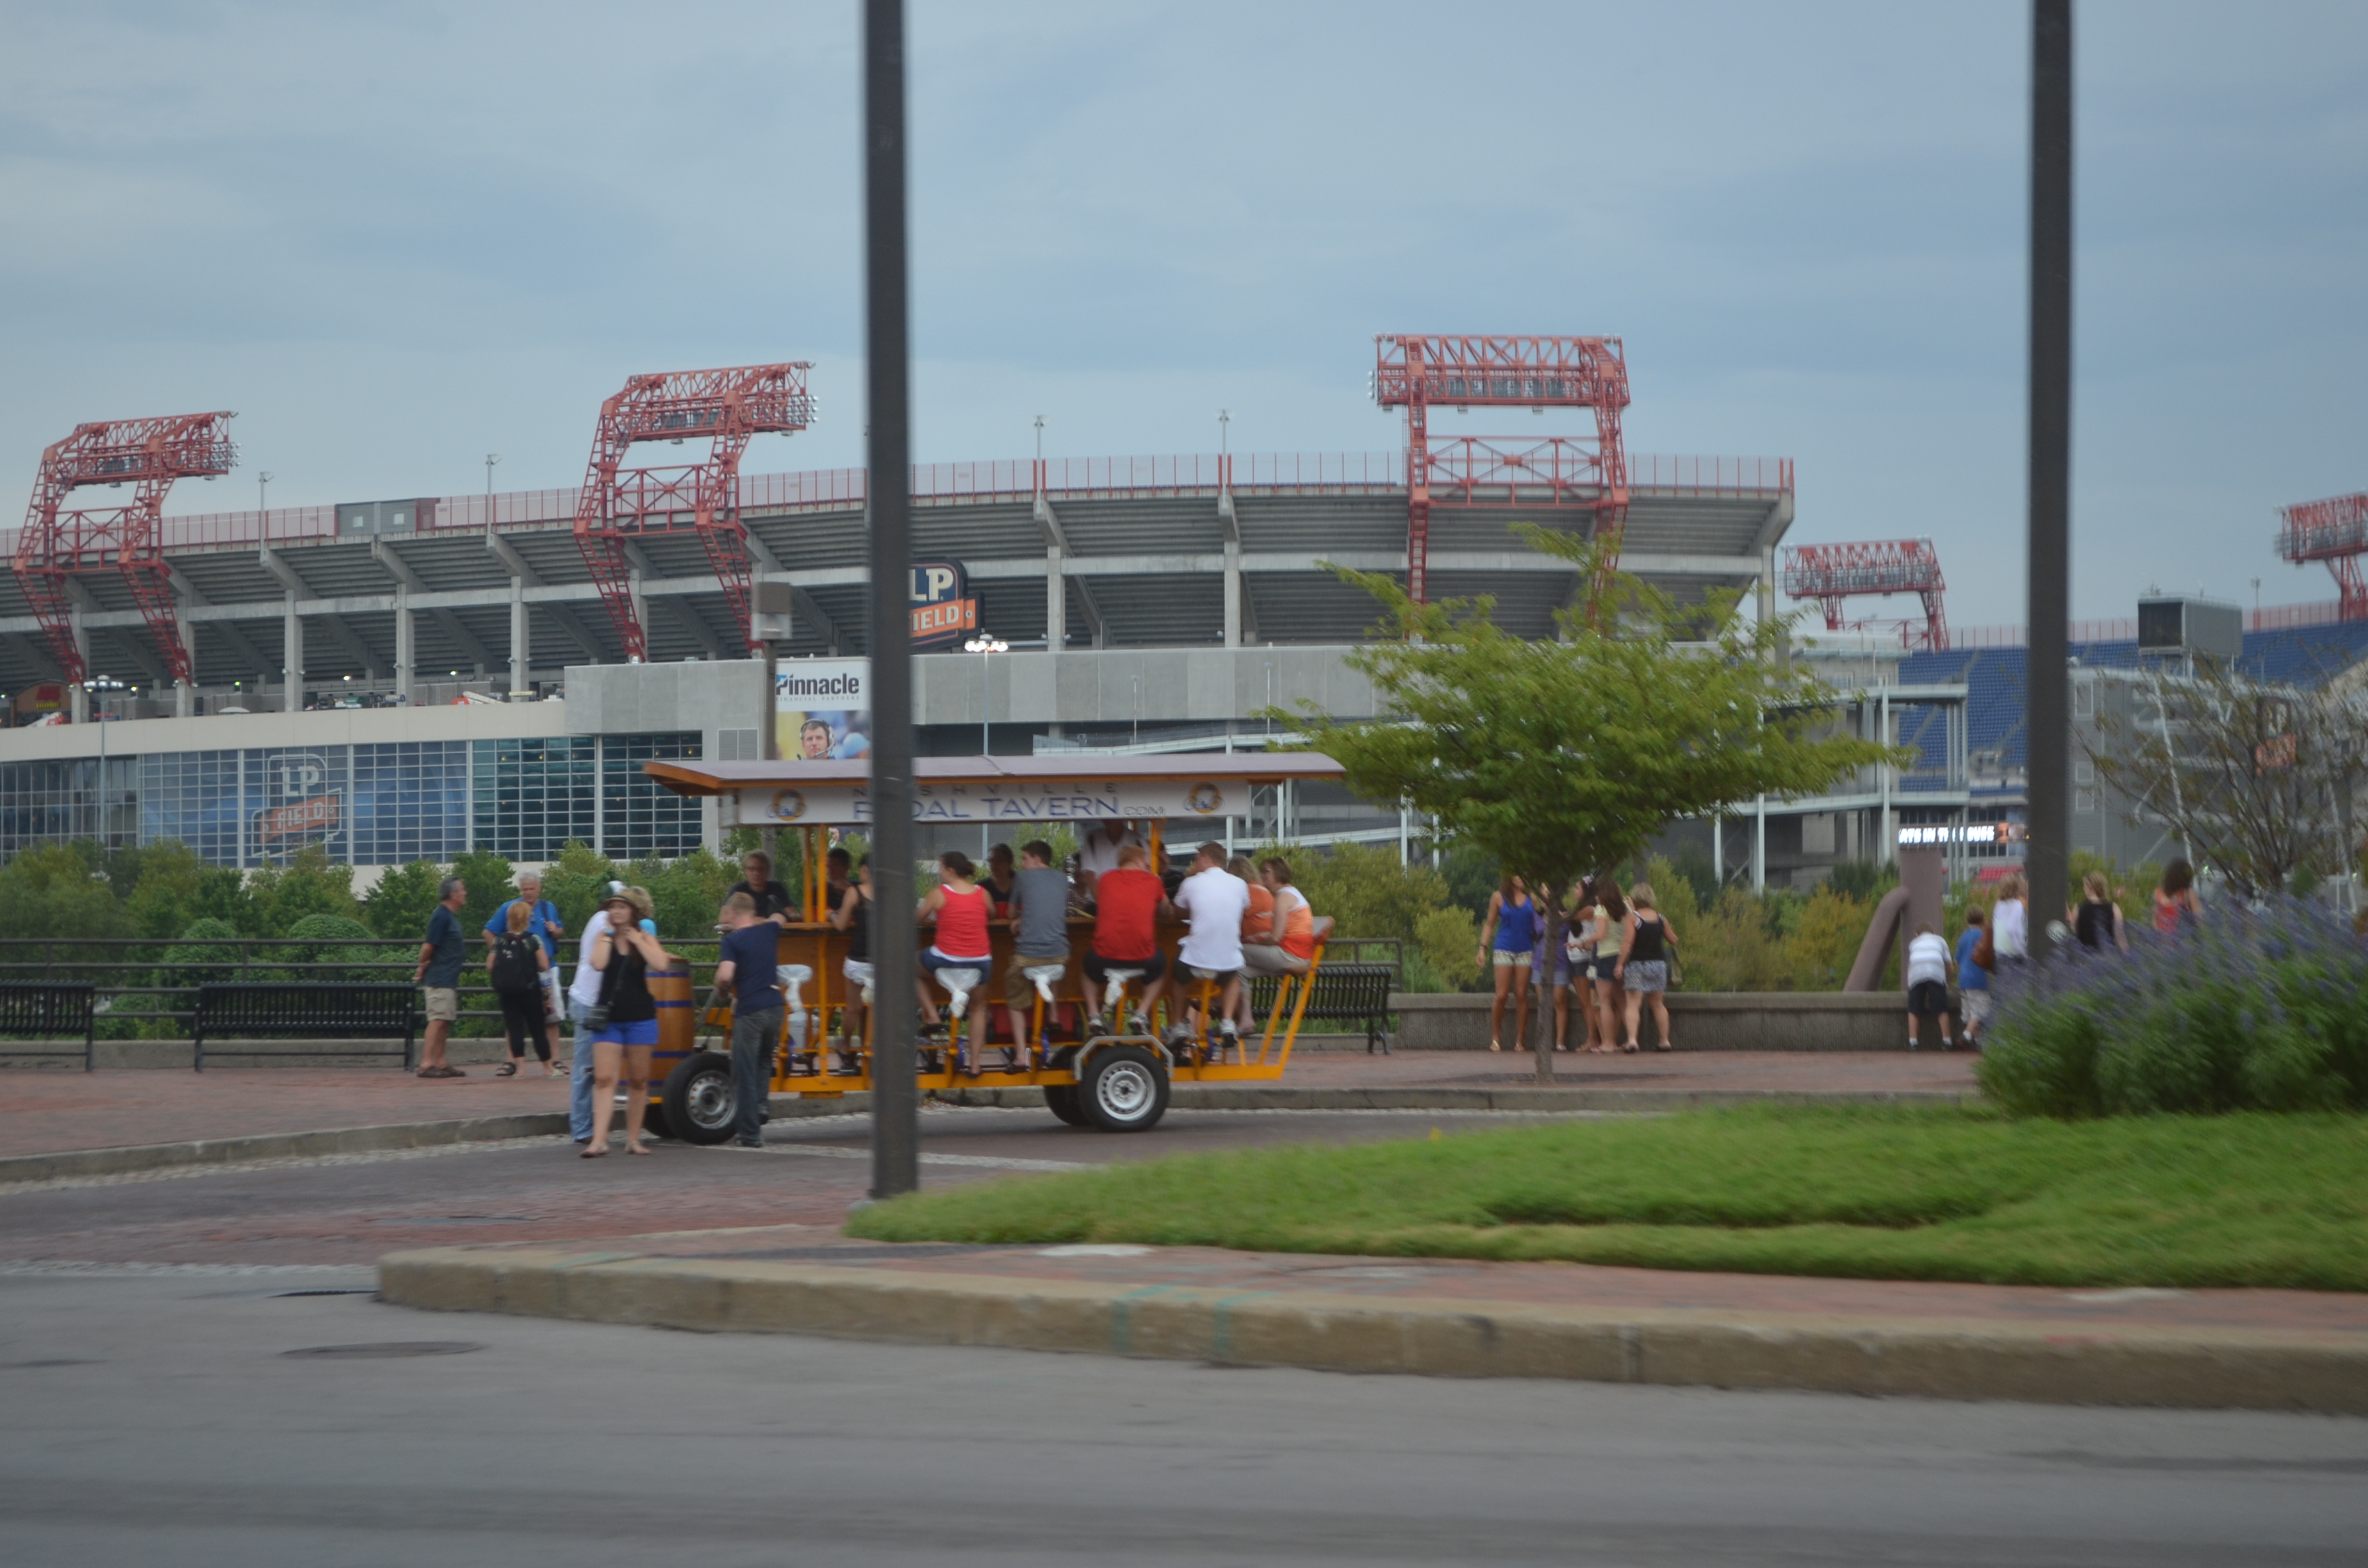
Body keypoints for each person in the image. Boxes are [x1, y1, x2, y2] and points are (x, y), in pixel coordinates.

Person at [583, 886, 675, 1157]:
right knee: (604, 1078)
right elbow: (598, 963)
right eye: (612, 907)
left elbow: (661, 964)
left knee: (638, 1080)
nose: (615, 911)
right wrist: (609, 935)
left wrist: (639, 940)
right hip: (609, 1018)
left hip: (640, 1017)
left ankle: (633, 1139)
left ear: (633, 911)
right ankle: (599, 1140)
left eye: (621, 907)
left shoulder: (644, 936)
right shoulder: (604, 936)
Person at [712, 892, 784, 1148]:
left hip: (751, 1009)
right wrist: (762, 920)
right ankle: (761, 1105)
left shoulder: (732, 941)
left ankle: (750, 1134)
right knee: (764, 1061)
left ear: (732, 913)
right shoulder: (769, 931)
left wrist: (722, 991)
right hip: (776, 1007)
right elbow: (780, 917)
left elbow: (725, 975)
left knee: (744, 1071)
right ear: (753, 913)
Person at [1171, 842, 1251, 1056]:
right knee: (1233, 976)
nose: (1195, 862)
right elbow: (1244, 907)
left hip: (1196, 958)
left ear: (1207, 858)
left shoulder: (1191, 882)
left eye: (1197, 858)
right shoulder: (1240, 884)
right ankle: (1227, 1021)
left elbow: (1178, 913)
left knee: (1178, 975)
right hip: (1228, 958)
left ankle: (1178, 1024)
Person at [914, 850, 995, 1052]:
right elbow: (992, 914)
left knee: (910, 966)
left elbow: (916, 918)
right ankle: (975, 1064)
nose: (939, 873)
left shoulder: (939, 893)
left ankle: (933, 1015)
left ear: (950, 870)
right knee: (977, 1009)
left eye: (941, 868)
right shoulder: (983, 893)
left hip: (946, 958)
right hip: (981, 961)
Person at [485, 871, 565, 1074]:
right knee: (515, 1020)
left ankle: (555, 1060)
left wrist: (555, 930)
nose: (528, 892)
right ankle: (512, 1062)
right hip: (519, 975)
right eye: (525, 889)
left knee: (551, 1016)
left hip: (546, 974)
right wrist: (505, 958)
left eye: (532, 889)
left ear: (539, 889)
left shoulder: (548, 908)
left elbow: (559, 932)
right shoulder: (509, 908)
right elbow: (488, 932)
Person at [1084, 842, 1167, 1036]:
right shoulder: (1152, 881)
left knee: (1086, 971)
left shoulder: (1106, 879)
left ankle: (1094, 1014)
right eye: (1145, 862)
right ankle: (1141, 1014)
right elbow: (1166, 910)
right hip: (1143, 956)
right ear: (1139, 860)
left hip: (1104, 956)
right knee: (1161, 967)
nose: (1147, 865)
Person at [1001, 840, 1073, 1059]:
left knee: (1013, 998)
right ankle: (1053, 1015)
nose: (1022, 864)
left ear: (1037, 859)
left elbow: (1010, 913)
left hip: (1028, 957)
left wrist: (1021, 917)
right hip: (1061, 954)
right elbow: (1050, 909)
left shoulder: (1022, 878)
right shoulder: (1062, 879)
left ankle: (1021, 1055)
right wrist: (1027, 916)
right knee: (1053, 960)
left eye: (1025, 859)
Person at [413, 876, 468, 1079]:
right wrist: (422, 964)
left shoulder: (449, 916)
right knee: (437, 1019)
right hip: (439, 978)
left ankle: (440, 1061)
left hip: (448, 978)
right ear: (453, 894)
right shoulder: (441, 916)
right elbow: (429, 945)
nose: (465, 893)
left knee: (444, 1020)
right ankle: (427, 1063)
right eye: (462, 890)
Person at [1477, 874, 1538, 1053]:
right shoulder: (1498, 897)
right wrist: (1482, 948)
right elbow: (1490, 924)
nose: (1522, 878)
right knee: (1502, 994)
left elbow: (1537, 923)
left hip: (1525, 949)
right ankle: (1496, 1037)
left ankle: (1520, 1040)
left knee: (1521, 994)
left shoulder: (1531, 898)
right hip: (1504, 947)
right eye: (1518, 875)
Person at [1615, 881, 1677, 1052]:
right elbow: (1673, 939)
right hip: (1658, 965)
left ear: (1635, 898)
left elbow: (1627, 943)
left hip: (1637, 964)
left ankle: (1632, 1041)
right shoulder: (1661, 918)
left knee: (1633, 1004)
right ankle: (1664, 1041)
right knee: (1658, 1004)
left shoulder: (1633, 918)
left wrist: (1620, 964)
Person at [830, 856, 873, 1068]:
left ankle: (846, 1045)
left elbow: (841, 925)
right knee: (875, 1008)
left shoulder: (855, 893)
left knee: (853, 1008)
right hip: (883, 961)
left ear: (865, 870)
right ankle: (872, 1050)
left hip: (859, 959)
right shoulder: (892, 893)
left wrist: (831, 915)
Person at [1554, 878, 1597, 1053]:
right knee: (1583, 1001)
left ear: (1586, 891)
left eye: (1578, 888)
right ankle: (1592, 1037)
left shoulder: (1590, 909)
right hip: (1574, 957)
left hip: (1583, 957)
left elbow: (1570, 917)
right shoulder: (1581, 908)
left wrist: (1555, 899)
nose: (1574, 890)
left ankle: (1592, 1039)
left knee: (1587, 1002)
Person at [1587, 881, 1627, 1054]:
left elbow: (1601, 934)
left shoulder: (1601, 910)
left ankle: (1609, 1042)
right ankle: (1631, 1039)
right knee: (1622, 1002)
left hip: (1605, 955)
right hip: (1622, 956)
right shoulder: (1625, 907)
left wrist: (1585, 941)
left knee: (1605, 1002)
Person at [1905, 921, 1953, 1050]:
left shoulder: (1913, 943)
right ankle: (1947, 1041)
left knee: (1914, 1009)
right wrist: (1946, 982)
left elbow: (1911, 962)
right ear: (1934, 933)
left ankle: (1913, 1042)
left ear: (1917, 935)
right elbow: (1949, 965)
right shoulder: (1940, 941)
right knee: (1942, 1008)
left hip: (1916, 973)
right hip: (1935, 972)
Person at [1954, 907, 1993, 1050]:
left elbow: (1957, 960)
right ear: (1983, 919)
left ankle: (1979, 1042)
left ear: (1967, 920)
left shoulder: (1963, 937)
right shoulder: (1983, 936)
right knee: (1982, 1010)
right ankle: (1967, 1035)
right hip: (1978, 978)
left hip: (1963, 979)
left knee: (1969, 1012)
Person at [730, 850, 796, 926]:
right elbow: (725, 917)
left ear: (768, 871)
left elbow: (791, 914)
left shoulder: (777, 888)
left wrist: (776, 919)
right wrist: (757, 921)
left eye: (761, 869)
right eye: (752, 869)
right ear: (745, 871)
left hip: (774, 932)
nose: (756, 873)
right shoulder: (738, 889)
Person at [1076, 819, 1145, 888]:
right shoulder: (1092, 838)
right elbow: (1089, 874)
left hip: (1132, 893)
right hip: (1100, 893)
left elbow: (1146, 871)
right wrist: (1103, 895)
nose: (1111, 820)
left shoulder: (1137, 839)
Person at [2073, 871, 2128, 954]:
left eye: (2085, 886)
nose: (2084, 889)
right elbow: (2120, 936)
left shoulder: (2079, 908)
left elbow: (2074, 932)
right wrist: (2126, 954)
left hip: (2083, 956)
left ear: (2090, 887)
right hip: (2107, 956)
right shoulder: (2114, 908)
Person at [2154, 859, 2203, 936]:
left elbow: (2198, 920)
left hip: (2178, 937)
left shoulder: (2188, 893)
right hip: (2164, 938)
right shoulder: (2159, 892)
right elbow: (2155, 918)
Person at [1991, 872, 2030, 970]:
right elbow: (2012, 929)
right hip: (2013, 955)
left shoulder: (1998, 905)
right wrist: (2022, 951)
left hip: (1999, 953)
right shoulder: (2017, 905)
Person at [983, 842, 1018, 919]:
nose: (993, 865)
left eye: (998, 861)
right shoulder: (982, 887)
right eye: (991, 861)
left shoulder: (1021, 884)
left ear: (1010, 862)